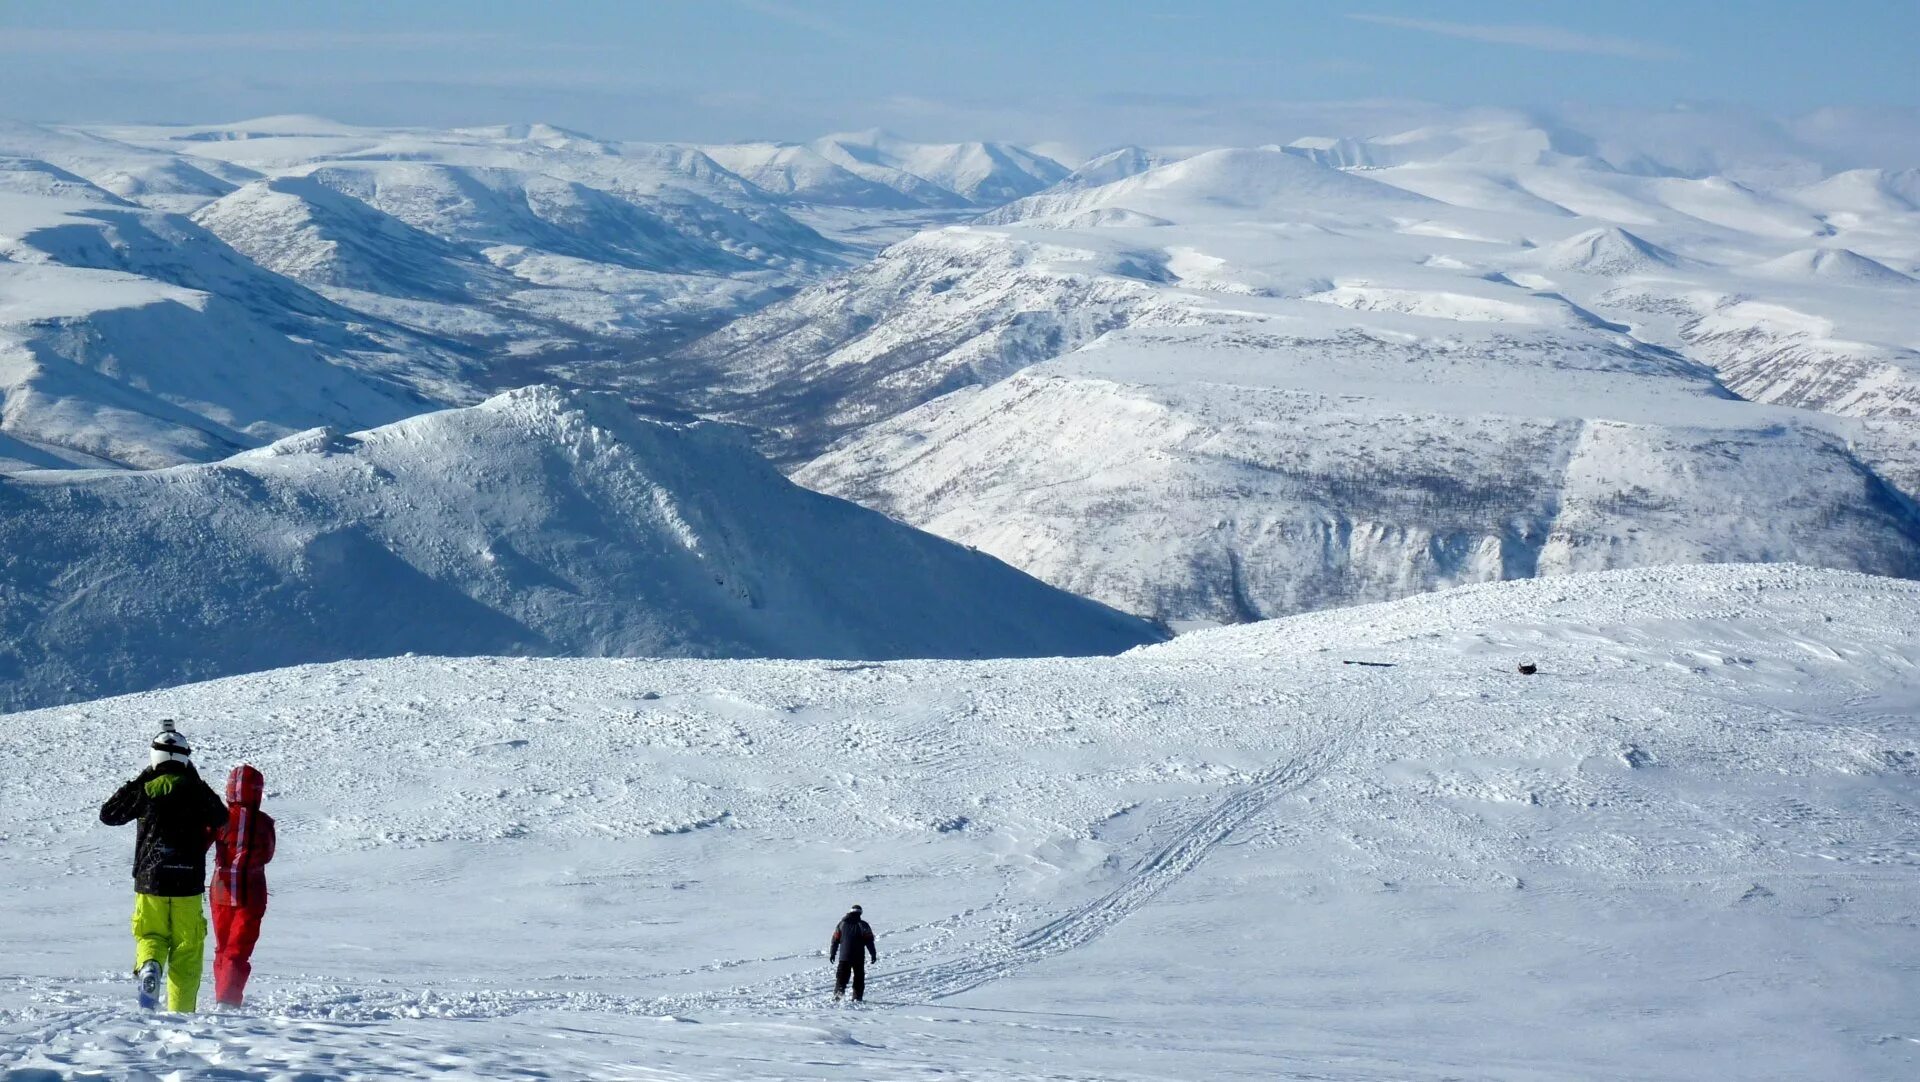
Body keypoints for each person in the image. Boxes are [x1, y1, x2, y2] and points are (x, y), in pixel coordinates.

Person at [98, 720, 228, 1012]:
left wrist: (142, 777)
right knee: (188, 949)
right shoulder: (196, 791)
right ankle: (182, 1014)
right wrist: (196, 779)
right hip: (188, 883)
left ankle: (150, 966)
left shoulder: (146, 789)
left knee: (150, 935)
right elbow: (222, 818)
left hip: (150, 882)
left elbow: (109, 814)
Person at [211, 764, 276, 1009]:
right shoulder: (264, 823)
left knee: (224, 946)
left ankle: (222, 994)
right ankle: (228, 1000)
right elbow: (268, 854)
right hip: (252, 893)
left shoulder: (219, 817)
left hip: (221, 890)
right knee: (238, 949)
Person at [828, 904, 877, 1002]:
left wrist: (832, 953)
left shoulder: (841, 924)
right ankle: (857, 998)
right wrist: (873, 954)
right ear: (860, 913)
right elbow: (869, 940)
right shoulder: (863, 925)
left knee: (841, 977)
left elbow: (835, 939)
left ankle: (837, 996)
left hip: (844, 956)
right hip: (858, 956)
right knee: (859, 977)